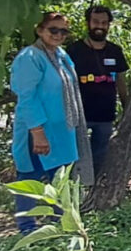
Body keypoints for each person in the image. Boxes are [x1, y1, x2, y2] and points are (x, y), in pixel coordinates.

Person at [10, 12, 94, 234]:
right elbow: (27, 97)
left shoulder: (61, 55)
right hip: (37, 131)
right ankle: (27, 229)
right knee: (30, 178)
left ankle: (61, 226)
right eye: (53, 30)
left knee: (61, 180)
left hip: (62, 132)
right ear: (40, 30)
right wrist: (37, 132)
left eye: (63, 31)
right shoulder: (30, 57)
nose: (58, 35)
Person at [66, 5, 129, 177]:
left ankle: (93, 198)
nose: (99, 26)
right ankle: (73, 197)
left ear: (109, 25)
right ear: (88, 23)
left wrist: (127, 108)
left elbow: (121, 82)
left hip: (105, 116)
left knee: (99, 160)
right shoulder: (74, 50)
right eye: (95, 22)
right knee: (75, 162)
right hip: (79, 116)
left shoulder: (115, 51)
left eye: (104, 22)